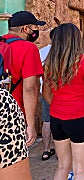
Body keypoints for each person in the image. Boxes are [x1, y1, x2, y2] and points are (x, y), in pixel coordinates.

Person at [42, 23, 84, 180]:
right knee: (80, 170)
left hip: (57, 117)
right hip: (80, 117)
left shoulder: (50, 63)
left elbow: (46, 93)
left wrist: (59, 105)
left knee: (62, 166)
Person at [2, 10, 45, 147]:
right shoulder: (28, 48)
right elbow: (29, 88)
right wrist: (31, 125)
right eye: (34, 27)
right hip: (13, 114)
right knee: (15, 162)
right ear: (25, 29)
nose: (36, 31)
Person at [39, 28, 56, 161]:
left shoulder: (42, 51)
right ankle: (61, 149)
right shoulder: (61, 53)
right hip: (58, 93)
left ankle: (46, 150)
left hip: (44, 92)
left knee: (46, 121)